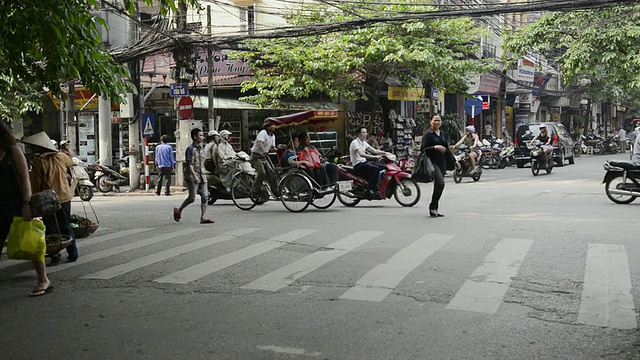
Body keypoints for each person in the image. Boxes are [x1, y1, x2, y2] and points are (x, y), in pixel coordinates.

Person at [0, 123, 52, 297]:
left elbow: (25, 179)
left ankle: (43, 279)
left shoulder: (12, 151)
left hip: (16, 204)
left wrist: (27, 204)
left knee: (31, 242)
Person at [23, 131, 79, 265]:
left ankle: (55, 255)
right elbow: (71, 163)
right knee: (65, 226)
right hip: (65, 196)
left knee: (51, 227)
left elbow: (35, 184)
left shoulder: (39, 162)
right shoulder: (61, 156)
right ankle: (73, 253)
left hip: (48, 199)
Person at [173, 128, 214, 224]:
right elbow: (189, 164)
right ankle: (179, 210)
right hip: (193, 176)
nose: (202, 137)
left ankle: (203, 217)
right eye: (200, 135)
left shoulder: (201, 149)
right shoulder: (190, 149)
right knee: (192, 198)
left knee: (205, 196)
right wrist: (194, 176)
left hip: (202, 175)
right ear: (195, 137)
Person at [349, 126, 392, 198]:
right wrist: (374, 157)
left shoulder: (363, 142)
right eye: (363, 132)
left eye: (366, 132)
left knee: (384, 167)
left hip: (364, 163)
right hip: (358, 165)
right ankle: (369, 190)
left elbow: (374, 150)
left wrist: (385, 153)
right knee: (375, 169)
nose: (365, 134)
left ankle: (377, 186)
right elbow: (361, 154)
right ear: (358, 134)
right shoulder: (355, 143)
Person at [420, 115, 448, 217]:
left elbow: (446, 148)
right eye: (435, 120)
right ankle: (432, 207)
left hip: (442, 162)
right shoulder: (428, 134)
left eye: (438, 121)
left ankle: (434, 208)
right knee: (441, 183)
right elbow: (423, 149)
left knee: (439, 186)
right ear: (431, 121)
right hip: (432, 162)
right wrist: (435, 147)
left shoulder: (443, 134)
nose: (437, 122)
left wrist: (454, 160)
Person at [250, 120, 279, 199]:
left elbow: (272, 147)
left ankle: (275, 190)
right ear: (267, 126)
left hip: (264, 156)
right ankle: (254, 190)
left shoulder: (273, 136)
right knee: (262, 173)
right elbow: (260, 143)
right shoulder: (263, 133)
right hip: (256, 156)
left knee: (272, 172)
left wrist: (277, 149)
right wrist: (264, 151)